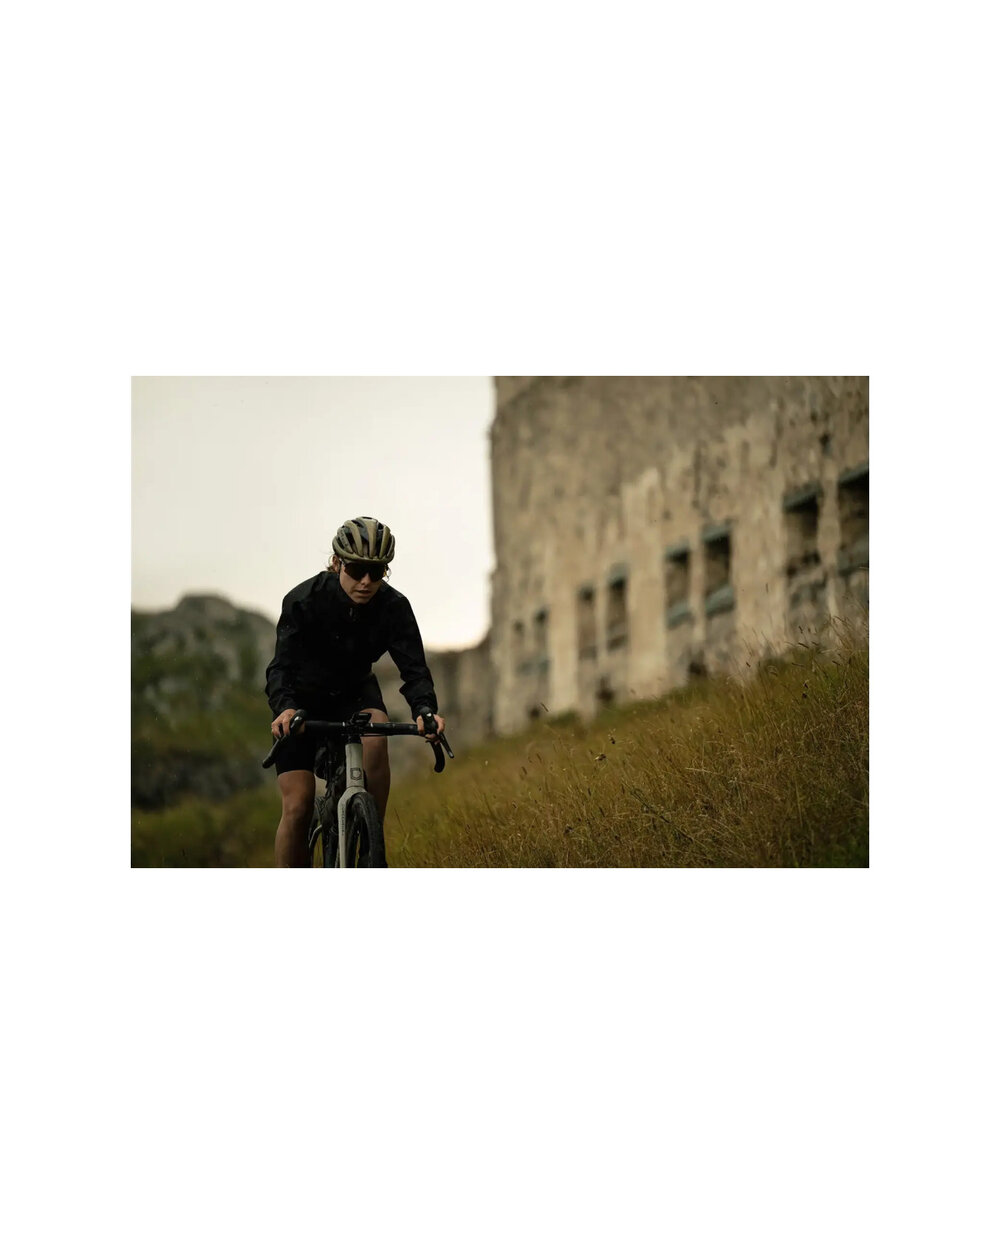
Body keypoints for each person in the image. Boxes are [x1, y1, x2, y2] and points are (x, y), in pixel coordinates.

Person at [265, 516, 446, 867]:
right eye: (357, 569)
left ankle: (371, 849)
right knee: (298, 805)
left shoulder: (393, 607)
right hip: (300, 700)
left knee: (376, 739)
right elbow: (280, 668)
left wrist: (425, 710)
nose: (366, 581)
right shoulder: (303, 600)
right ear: (337, 563)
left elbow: (414, 670)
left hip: (354, 691)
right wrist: (284, 708)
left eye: (376, 573)